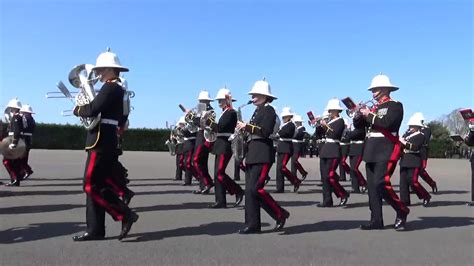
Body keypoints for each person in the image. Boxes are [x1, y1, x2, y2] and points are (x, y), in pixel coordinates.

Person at [72, 49, 138, 241]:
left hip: (100, 141)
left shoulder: (111, 88)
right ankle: (95, 229)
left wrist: (77, 109)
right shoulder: (118, 89)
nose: (98, 74)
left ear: (110, 69)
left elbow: (93, 109)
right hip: (105, 139)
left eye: (101, 70)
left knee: (90, 184)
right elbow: (121, 119)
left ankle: (124, 214)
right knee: (96, 185)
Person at [236, 78, 289, 234]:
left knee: (255, 189)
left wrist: (247, 126)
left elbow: (265, 131)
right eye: (253, 95)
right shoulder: (257, 110)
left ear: (266, 96)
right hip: (253, 152)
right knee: (250, 191)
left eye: (257, 95)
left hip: (263, 153)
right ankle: (252, 224)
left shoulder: (269, 110)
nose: (253, 98)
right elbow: (254, 130)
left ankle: (280, 214)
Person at [358, 73, 410, 231]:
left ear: (386, 89)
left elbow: (387, 123)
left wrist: (369, 115)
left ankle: (401, 209)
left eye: (376, 89)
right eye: (372, 90)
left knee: (382, 183)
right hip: (371, 149)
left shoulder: (395, 105)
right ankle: (376, 220)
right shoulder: (374, 108)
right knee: (372, 187)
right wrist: (358, 113)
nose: (373, 92)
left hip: (386, 148)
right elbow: (360, 126)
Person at [205, 87, 244, 208]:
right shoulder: (223, 112)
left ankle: (238, 191)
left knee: (220, 173)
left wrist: (207, 121)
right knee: (217, 174)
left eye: (221, 100)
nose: (219, 102)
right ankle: (220, 200)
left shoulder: (231, 112)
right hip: (219, 143)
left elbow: (220, 127)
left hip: (225, 144)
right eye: (218, 100)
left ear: (227, 100)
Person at [316, 99, 349, 207]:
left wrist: (325, 125)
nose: (329, 112)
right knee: (325, 177)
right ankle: (327, 200)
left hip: (334, 149)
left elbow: (334, 134)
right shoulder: (329, 121)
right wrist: (318, 125)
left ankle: (343, 194)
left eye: (331, 110)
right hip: (325, 149)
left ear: (337, 110)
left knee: (330, 175)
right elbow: (320, 134)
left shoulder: (340, 121)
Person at [399, 114, 431, 207]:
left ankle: (425, 196)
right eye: (410, 126)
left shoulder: (421, 136)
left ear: (417, 127)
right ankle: (404, 201)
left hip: (414, 160)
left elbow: (415, 147)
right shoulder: (407, 134)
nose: (410, 127)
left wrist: (403, 142)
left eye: (412, 126)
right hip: (405, 159)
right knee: (403, 182)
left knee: (412, 181)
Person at [275, 107, 302, 193]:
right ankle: (280, 188)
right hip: (281, 147)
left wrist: (278, 133)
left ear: (289, 116)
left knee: (281, 167)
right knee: (279, 169)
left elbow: (284, 133)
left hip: (286, 147)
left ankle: (295, 181)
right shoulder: (285, 125)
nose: (283, 118)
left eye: (284, 116)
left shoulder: (291, 125)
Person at [412, 112, 438, 193]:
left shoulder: (426, 129)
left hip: (422, 152)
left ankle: (432, 183)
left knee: (421, 171)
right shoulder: (412, 129)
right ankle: (413, 186)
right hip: (413, 152)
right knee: (411, 170)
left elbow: (424, 140)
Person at [3, 98, 23, 187]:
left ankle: (15, 179)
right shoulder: (19, 117)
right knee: (14, 162)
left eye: (11, 107)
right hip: (16, 140)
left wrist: (14, 143)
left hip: (14, 140)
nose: (10, 109)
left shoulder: (16, 117)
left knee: (7, 161)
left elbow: (17, 131)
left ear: (14, 108)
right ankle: (15, 180)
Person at [18, 104, 36, 180]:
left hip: (23, 139)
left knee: (20, 159)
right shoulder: (32, 119)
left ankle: (27, 171)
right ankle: (23, 172)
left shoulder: (24, 118)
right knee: (24, 158)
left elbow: (22, 128)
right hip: (28, 140)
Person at [291, 115, 309, 181]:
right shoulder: (297, 129)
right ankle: (295, 174)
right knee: (293, 161)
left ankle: (302, 172)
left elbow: (297, 135)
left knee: (294, 161)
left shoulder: (302, 129)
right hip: (294, 145)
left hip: (297, 145)